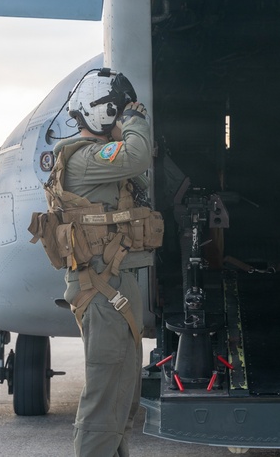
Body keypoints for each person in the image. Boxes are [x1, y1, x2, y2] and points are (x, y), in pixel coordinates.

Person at [46, 68, 161, 456]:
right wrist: (134, 120)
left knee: (120, 395)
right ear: (104, 113)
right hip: (101, 288)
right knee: (104, 397)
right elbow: (138, 153)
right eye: (119, 113)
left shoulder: (97, 160)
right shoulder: (85, 159)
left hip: (113, 285)